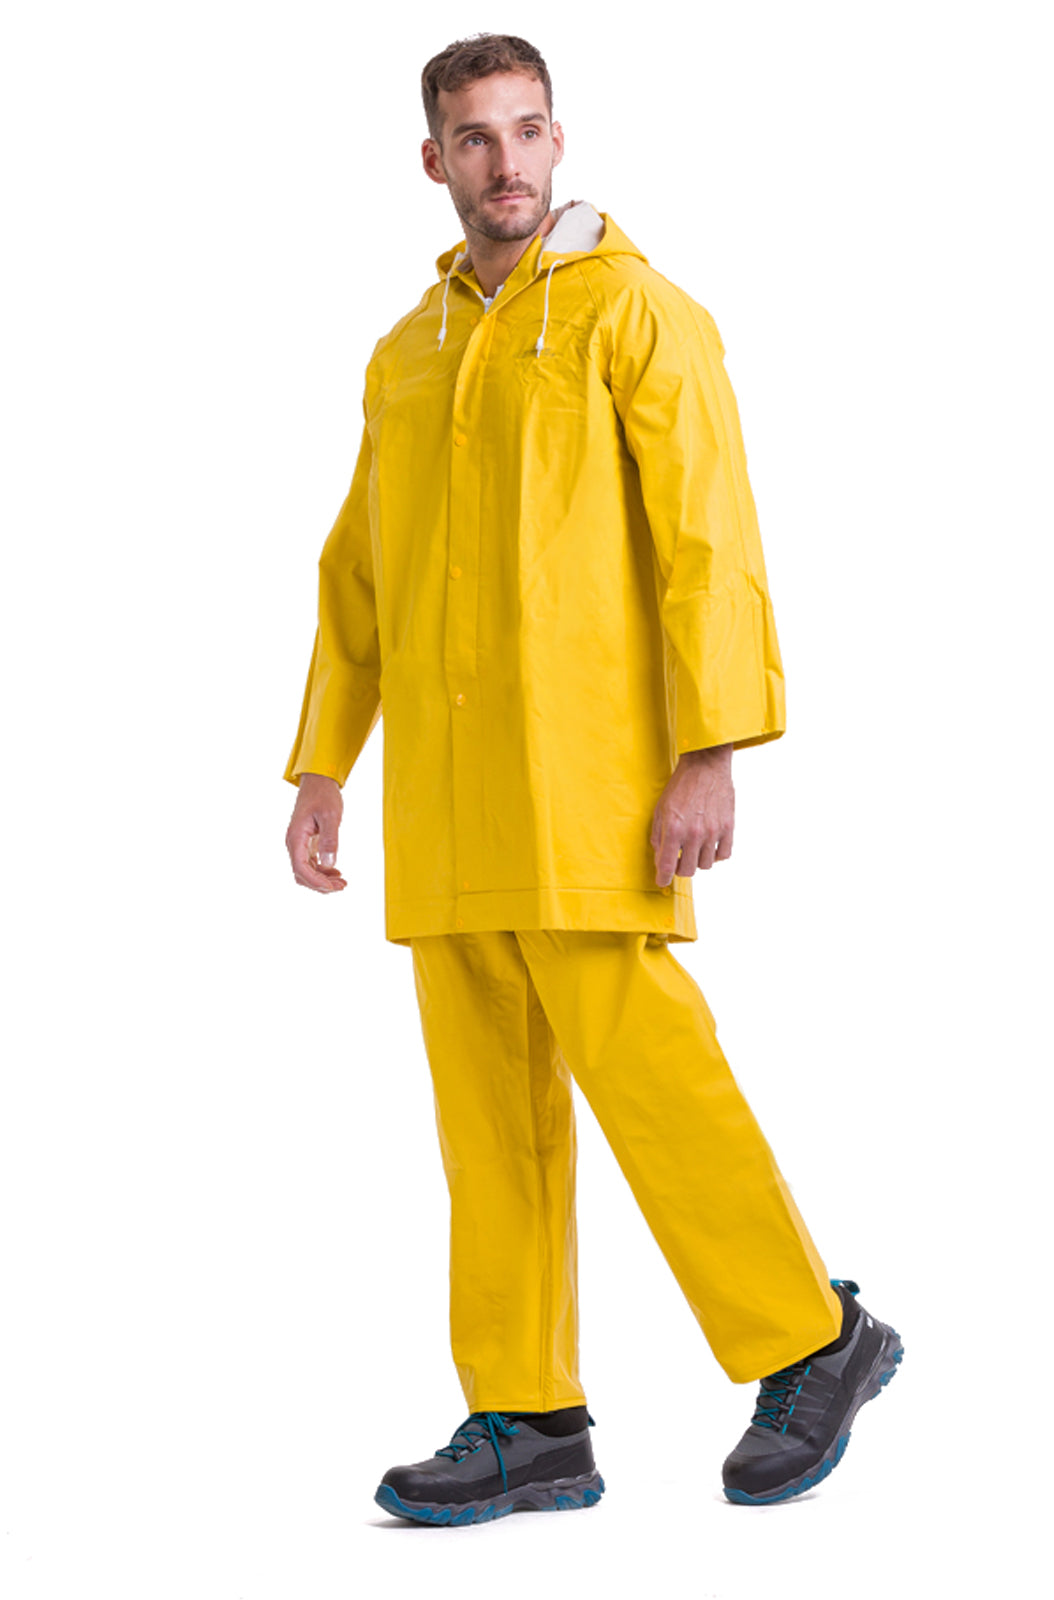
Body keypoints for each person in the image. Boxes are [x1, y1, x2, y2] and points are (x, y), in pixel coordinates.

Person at [283, 32, 903, 1526]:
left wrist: (710, 749)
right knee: (486, 1116)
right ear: (433, 160)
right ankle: (528, 1415)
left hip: (589, 784)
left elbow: (709, 540)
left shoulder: (636, 312)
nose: (504, 162)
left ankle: (812, 1336)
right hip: (447, 799)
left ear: (559, 140)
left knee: (649, 1073)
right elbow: (361, 571)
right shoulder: (408, 352)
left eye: (526, 130)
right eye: (474, 138)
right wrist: (323, 764)